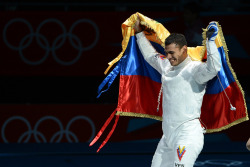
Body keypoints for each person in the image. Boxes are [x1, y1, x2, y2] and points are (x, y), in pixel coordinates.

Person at [134, 16, 221, 167]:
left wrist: (210, 42)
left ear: (184, 49)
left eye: (172, 53)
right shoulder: (166, 66)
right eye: (167, 52)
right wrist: (139, 33)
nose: (168, 57)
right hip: (167, 137)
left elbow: (214, 68)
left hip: (187, 135)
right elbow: (150, 56)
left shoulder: (195, 70)